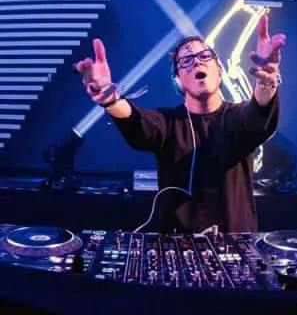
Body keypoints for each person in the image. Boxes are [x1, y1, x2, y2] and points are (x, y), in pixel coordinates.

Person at [75, 14, 286, 233]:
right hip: (176, 243)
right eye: (186, 60)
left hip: (234, 245)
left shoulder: (237, 117)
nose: (197, 62)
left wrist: (266, 81)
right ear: (178, 80)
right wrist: (110, 100)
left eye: (205, 55)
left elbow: (257, 117)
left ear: (219, 70)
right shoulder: (168, 123)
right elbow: (138, 123)